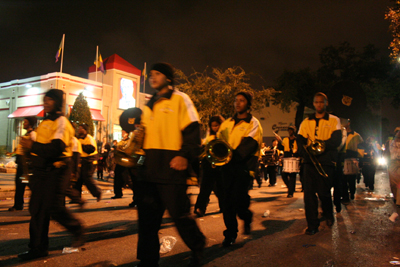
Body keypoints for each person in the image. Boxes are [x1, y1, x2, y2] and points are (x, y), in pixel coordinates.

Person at [136, 62, 205, 267]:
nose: (153, 77)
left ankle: (198, 245)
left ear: (168, 78)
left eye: (157, 74)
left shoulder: (180, 99)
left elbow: (193, 130)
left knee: (180, 216)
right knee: (147, 220)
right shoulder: (148, 106)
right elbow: (145, 138)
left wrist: (185, 155)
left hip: (172, 169)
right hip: (149, 171)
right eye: (151, 75)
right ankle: (148, 260)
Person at [18, 89, 84, 261]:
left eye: (49, 100)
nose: (45, 103)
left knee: (53, 207)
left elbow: (57, 148)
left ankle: (76, 228)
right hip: (42, 171)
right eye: (44, 100)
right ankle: (37, 248)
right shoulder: (45, 122)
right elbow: (41, 148)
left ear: (57, 102)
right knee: (37, 210)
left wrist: (32, 146)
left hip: (57, 169)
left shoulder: (61, 122)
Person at [217, 91, 263, 247]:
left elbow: (249, 145)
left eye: (241, 100)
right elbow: (219, 142)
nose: (237, 103)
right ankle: (230, 234)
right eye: (236, 100)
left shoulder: (253, 123)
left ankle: (246, 216)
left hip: (243, 168)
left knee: (239, 202)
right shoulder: (227, 123)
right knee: (226, 203)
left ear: (248, 104)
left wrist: (230, 156)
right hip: (226, 168)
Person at [297, 92, 341, 235]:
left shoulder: (334, 120)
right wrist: (305, 151)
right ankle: (312, 225)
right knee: (309, 195)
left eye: (322, 102)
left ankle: (328, 214)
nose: (319, 104)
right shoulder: (306, 121)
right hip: (309, 162)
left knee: (324, 193)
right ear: (313, 104)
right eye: (316, 102)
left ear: (326, 103)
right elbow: (300, 139)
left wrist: (321, 146)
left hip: (326, 161)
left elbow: (336, 140)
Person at [194, 115, 224, 217]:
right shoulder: (208, 137)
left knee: (220, 188)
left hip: (221, 166)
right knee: (205, 188)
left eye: (217, 125)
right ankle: (200, 208)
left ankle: (224, 206)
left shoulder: (225, 136)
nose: (215, 128)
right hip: (208, 165)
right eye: (213, 126)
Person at [8, 116, 37, 211]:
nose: (23, 124)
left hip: (27, 166)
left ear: (30, 123)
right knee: (20, 184)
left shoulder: (32, 135)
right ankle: (18, 205)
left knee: (29, 184)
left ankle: (40, 203)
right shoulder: (26, 134)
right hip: (21, 164)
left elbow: (33, 148)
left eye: (25, 122)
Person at [74, 124, 102, 201]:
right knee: (78, 179)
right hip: (82, 161)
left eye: (81, 128)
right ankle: (76, 197)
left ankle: (97, 192)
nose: (79, 129)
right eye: (78, 128)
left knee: (87, 178)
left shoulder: (89, 138)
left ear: (85, 130)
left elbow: (91, 149)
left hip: (91, 160)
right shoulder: (78, 139)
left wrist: (81, 146)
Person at [342, 119, 363, 201]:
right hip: (343, 158)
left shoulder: (356, 135)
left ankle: (352, 193)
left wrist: (360, 161)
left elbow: (361, 147)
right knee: (343, 179)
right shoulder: (340, 134)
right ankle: (345, 196)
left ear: (349, 123)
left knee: (351, 179)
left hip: (352, 158)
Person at [278, 125, 299, 198]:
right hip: (286, 158)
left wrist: (297, 154)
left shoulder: (297, 140)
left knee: (292, 176)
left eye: (291, 130)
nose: (290, 132)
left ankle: (290, 193)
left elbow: (300, 149)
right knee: (283, 175)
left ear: (294, 131)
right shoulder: (285, 139)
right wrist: (279, 141)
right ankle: (290, 187)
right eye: (289, 130)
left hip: (294, 158)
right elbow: (281, 148)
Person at [389, 130, 400, 205]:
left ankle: (398, 200)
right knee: (393, 182)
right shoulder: (390, 142)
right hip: (392, 163)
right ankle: (395, 197)